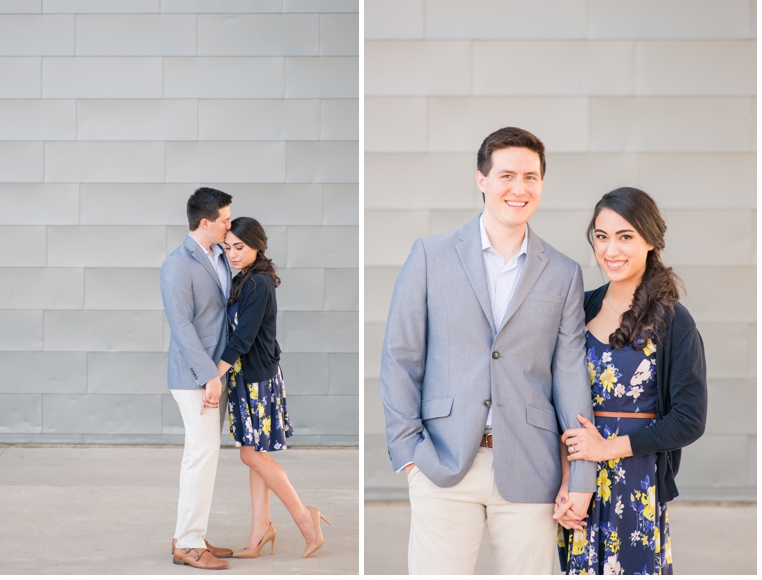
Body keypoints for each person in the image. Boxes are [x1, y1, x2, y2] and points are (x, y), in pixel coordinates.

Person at [380, 126, 596, 575]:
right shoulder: (429, 256)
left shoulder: (563, 272)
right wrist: (408, 455)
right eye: (507, 176)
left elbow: (571, 377)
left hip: (531, 467)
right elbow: (401, 359)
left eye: (531, 177)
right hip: (441, 461)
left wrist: (581, 476)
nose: (519, 188)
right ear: (482, 180)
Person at [556, 187, 707, 575]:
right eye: (602, 237)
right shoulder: (580, 306)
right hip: (580, 478)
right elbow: (556, 398)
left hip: (637, 479)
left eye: (626, 237)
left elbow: (689, 419)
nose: (611, 250)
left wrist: (607, 448)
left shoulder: (674, 321)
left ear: (651, 241)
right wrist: (566, 478)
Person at [209, 217, 330, 559]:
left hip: (256, 379)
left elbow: (243, 339)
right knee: (255, 456)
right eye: (228, 247)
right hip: (246, 377)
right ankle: (261, 530)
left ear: (257, 247)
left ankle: (307, 520)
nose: (232, 254)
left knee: (250, 454)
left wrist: (213, 377)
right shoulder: (243, 278)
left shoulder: (259, 283)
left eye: (240, 247)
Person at [160, 187, 234, 570]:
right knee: (201, 456)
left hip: (214, 376)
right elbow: (182, 327)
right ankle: (188, 544)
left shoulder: (220, 254)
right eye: (224, 220)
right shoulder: (177, 264)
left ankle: (191, 534)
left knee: (202, 454)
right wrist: (209, 376)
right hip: (194, 377)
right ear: (205, 223)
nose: (229, 225)